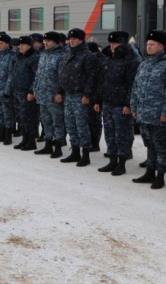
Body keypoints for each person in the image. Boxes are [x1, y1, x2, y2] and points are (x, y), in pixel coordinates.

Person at [130, 30, 166, 190]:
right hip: (144, 112)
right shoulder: (144, 64)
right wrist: (134, 106)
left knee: (161, 145)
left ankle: (160, 175)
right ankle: (150, 171)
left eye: (152, 45)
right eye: (147, 44)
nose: (149, 47)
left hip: (159, 114)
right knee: (149, 144)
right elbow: (135, 87)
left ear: (161, 46)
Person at [94, 31, 141, 176]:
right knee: (109, 134)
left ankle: (122, 163)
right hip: (108, 101)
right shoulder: (108, 58)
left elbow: (132, 85)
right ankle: (112, 160)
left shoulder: (131, 59)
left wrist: (128, 104)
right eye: (111, 43)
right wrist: (98, 100)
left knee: (123, 135)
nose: (112, 46)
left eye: (115, 43)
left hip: (121, 104)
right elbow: (101, 81)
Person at [56, 28, 99, 167]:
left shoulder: (88, 56)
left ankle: (85, 155)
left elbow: (92, 78)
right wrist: (60, 91)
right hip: (68, 94)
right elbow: (63, 75)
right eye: (70, 39)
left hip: (80, 95)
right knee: (70, 125)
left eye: (74, 39)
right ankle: (75, 152)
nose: (71, 41)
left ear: (81, 40)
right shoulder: (68, 54)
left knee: (82, 126)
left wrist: (87, 94)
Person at [33, 31, 67, 158]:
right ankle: (48, 145)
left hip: (54, 95)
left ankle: (58, 146)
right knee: (46, 121)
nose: (46, 43)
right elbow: (38, 74)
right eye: (45, 41)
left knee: (57, 122)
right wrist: (35, 89)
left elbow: (62, 77)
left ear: (56, 42)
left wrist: (59, 92)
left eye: (49, 41)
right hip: (42, 94)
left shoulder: (61, 56)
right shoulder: (43, 55)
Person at [13, 36, 40, 151]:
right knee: (21, 117)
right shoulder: (20, 57)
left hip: (27, 93)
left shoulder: (34, 58)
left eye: (23, 44)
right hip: (18, 90)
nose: (20, 46)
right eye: (19, 44)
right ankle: (25, 139)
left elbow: (36, 76)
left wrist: (31, 90)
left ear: (30, 45)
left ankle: (31, 141)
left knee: (29, 118)